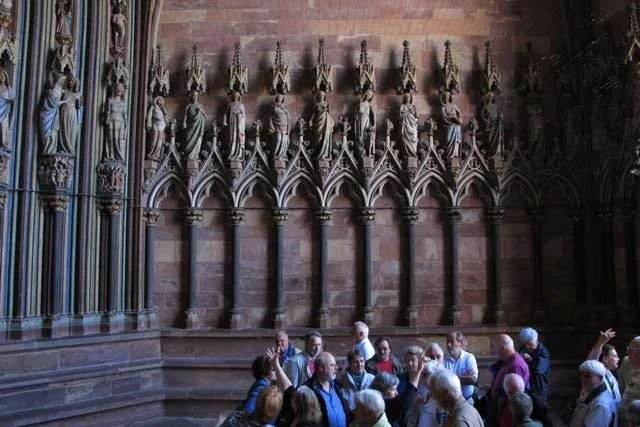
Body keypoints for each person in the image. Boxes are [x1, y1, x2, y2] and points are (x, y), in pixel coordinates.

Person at [266, 346, 323, 427]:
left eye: (294, 396)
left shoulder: (309, 424)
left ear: (300, 405)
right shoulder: (297, 403)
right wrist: (276, 364)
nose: (292, 394)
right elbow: (287, 385)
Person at [487, 334, 530, 427]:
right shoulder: (508, 362)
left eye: (494, 347)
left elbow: (515, 398)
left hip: (508, 413)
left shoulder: (516, 365)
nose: (493, 350)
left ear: (503, 348)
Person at [304, 352, 348, 427]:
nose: (336, 368)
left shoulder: (337, 386)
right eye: (332, 365)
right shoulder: (308, 390)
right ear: (321, 368)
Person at [569, 360, 617, 427]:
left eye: (588, 376)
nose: (582, 378)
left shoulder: (601, 404)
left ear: (600, 378)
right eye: (581, 374)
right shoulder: (589, 392)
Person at [587, 328, 621, 404]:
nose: (618, 359)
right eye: (615, 356)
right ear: (605, 359)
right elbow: (590, 365)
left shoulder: (610, 375)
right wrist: (600, 343)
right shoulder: (597, 375)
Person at [443, 331, 478, 403]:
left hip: (467, 400)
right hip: (448, 402)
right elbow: (441, 381)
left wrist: (449, 378)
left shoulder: (469, 358)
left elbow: (473, 380)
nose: (448, 345)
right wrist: (463, 377)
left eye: (452, 342)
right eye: (447, 342)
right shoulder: (443, 359)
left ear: (460, 343)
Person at [518, 327, 550, 404]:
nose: (527, 346)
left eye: (529, 344)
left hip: (539, 389)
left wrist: (529, 360)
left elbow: (537, 369)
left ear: (535, 340)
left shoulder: (543, 352)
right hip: (527, 388)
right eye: (525, 344)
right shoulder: (524, 348)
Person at [336, 349, 374, 413]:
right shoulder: (341, 380)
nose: (359, 365)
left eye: (362, 361)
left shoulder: (372, 379)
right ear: (349, 364)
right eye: (356, 362)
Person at [396, 346, 427, 427]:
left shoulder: (425, 380)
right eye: (408, 360)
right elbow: (402, 402)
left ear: (420, 362)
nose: (410, 363)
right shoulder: (399, 378)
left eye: (413, 360)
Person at [40, 73, 66, 154]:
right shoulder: (52, 91)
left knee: (54, 132)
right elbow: (54, 103)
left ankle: (52, 149)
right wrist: (64, 101)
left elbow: (67, 92)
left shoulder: (59, 90)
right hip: (48, 114)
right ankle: (48, 150)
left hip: (54, 114)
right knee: (48, 133)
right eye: (62, 80)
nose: (63, 82)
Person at [104, 83, 127, 161]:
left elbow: (125, 116)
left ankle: (118, 156)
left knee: (118, 141)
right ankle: (111, 156)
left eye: (121, 89)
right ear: (115, 90)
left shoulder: (123, 103)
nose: (119, 91)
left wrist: (125, 128)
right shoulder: (110, 100)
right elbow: (108, 111)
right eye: (118, 89)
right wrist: (107, 120)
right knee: (110, 139)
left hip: (120, 124)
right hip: (111, 121)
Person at [620, 337, 640, 425]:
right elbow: (621, 385)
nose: (628, 353)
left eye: (631, 350)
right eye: (628, 349)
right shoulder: (626, 361)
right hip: (623, 414)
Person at [309, 90, 333, 160]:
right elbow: (313, 114)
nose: (321, 96)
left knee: (325, 136)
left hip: (326, 121)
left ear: (324, 96)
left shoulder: (326, 103)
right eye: (320, 95)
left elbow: (329, 113)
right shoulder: (316, 104)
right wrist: (310, 121)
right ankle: (318, 153)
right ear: (318, 96)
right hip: (318, 122)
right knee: (318, 139)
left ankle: (325, 153)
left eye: (322, 95)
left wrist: (331, 122)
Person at [183, 90, 206, 161]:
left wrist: (201, 113)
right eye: (193, 95)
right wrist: (184, 122)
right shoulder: (188, 106)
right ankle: (189, 155)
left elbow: (205, 115)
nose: (195, 97)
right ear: (191, 96)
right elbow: (185, 116)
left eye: (196, 95)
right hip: (190, 125)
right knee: (188, 139)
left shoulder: (199, 106)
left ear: (198, 97)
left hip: (198, 126)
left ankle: (195, 155)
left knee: (198, 139)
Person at [224, 90, 245, 161]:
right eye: (234, 96)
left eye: (237, 96)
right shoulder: (230, 105)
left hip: (239, 123)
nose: (235, 97)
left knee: (238, 138)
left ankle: (239, 154)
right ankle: (231, 153)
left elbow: (244, 116)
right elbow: (226, 114)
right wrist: (224, 121)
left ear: (239, 97)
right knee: (232, 138)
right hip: (232, 123)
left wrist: (240, 117)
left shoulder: (241, 105)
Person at [268, 93, 290, 161]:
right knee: (278, 139)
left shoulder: (285, 107)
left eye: (281, 98)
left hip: (284, 125)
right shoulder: (274, 107)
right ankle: (276, 154)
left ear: (282, 99)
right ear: (276, 99)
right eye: (278, 97)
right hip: (277, 126)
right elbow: (271, 117)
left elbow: (288, 116)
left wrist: (285, 111)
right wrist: (271, 127)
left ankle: (283, 155)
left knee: (285, 140)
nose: (279, 99)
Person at [441, 91, 462, 159]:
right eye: (444, 97)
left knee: (455, 140)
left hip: (455, 125)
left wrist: (458, 119)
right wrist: (451, 118)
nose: (446, 98)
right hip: (448, 125)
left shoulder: (453, 105)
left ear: (449, 97)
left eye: (447, 96)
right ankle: (449, 155)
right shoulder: (443, 107)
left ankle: (454, 154)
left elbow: (459, 113)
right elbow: (444, 117)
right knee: (448, 139)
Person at [481, 91, 503, 157]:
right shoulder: (485, 107)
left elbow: (499, 114)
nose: (491, 98)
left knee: (495, 139)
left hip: (496, 125)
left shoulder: (495, 106)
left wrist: (501, 117)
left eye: (492, 96)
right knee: (489, 139)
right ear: (487, 97)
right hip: (489, 125)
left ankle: (494, 154)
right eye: (490, 96)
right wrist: (486, 121)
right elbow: (482, 116)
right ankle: (489, 153)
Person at [145, 95, 167, 161]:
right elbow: (149, 116)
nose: (161, 101)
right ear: (157, 100)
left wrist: (163, 110)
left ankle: (156, 155)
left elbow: (165, 116)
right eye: (159, 99)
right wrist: (148, 124)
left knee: (160, 140)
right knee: (154, 139)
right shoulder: (153, 107)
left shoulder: (161, 109)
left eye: (162, 100)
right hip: (155, 124)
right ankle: (151, 154)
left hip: (161, 125)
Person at [356, 88, 375, 154]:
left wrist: (373, 123)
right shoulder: (361, 102)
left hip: (367, 119)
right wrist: (360, 104)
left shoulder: (369, 104)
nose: (368, 96)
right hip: (361, 118)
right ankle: (360, 145)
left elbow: (372, 114)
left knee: (366, 132)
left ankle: (364, 147)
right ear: (365, 94)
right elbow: (360, 111)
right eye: (368, 94)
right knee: (361, 131)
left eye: (370, 95)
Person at [400, 93, 418, 158]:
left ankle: (413, 153)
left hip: (412, 125)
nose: (407, 98)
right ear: (404, 98)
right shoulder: (402, 106)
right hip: (406, 126)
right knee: (405, 140)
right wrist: (408, 112)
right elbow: (400, 116)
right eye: (406, 97)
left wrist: (415, 113)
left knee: (414, 137)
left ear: (411, 98)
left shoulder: (412, 106)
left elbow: (416, 116)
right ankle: (408, 154)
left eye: (409, 97)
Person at [0, 69, 14, 148]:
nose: (1, 77)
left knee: (3, 127)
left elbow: (13, 100)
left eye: (2, 75)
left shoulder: (8, 88)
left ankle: (3, 144)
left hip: (4, 112)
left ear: (6, 77)